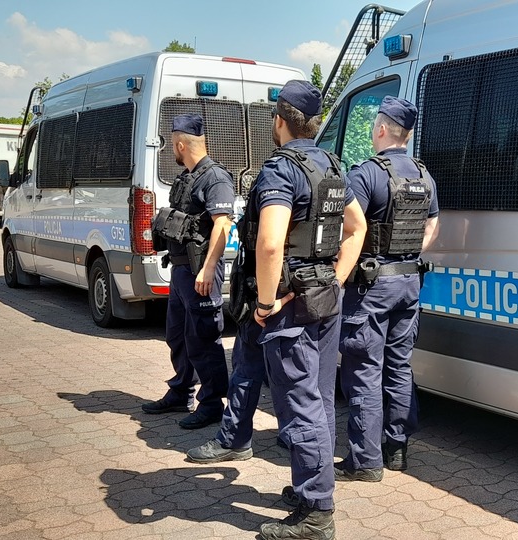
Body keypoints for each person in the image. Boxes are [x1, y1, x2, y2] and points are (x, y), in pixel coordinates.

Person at [189, 80, 365, 540]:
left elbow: (269, 244)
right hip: (324, 297)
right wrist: (336, 278)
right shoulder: (332, 164)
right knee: (319, 400)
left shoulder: (281, 170)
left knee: (301, 406)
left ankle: (316, 513)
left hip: (289, 305)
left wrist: (266, 303)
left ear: (281, 120)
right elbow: (357, 228)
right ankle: (312, 490)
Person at [336, 96, 439, 481]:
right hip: (409, 282)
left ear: (380, 129)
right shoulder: (424, 175)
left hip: (371, 286)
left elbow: (349, 229)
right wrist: (406, 254)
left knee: (364, 369)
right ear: (406, 134)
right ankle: (396, 449)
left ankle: (365, 461)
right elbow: (432, 226)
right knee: (399, 365)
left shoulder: (365, 175)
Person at [140, 113, 234, 430]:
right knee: (178, 336)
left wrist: (208, 269)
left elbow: (223, 225)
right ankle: (181, 392)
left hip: (200, 271)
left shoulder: (215, 178)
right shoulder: (187, 177)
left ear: (181, 144)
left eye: (172, 146)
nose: (172, 151)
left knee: (203, 339)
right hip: (181, 270)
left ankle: (212, 404)